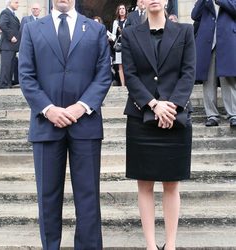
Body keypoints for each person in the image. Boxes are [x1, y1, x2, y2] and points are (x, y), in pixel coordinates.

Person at [18, 0, 112, 248]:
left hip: (86, 124)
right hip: (46, 125)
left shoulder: (95, 30)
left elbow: (104, 74)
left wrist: (81, 106)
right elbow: (26, 75)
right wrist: (48, 110)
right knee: (47, 198)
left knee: (88, 197)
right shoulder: (32, 29)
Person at [122, 0, 196, 248]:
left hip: (176, 117)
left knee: (171, 184)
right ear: (141, 1)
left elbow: (188, 72)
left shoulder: (185, 32)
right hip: (141, 116)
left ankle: (171, 244)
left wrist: (171, 105)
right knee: (144, 184)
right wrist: (154, 105)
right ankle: (151, 245)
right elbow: (130, 75)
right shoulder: (130, 33)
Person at [191, 0, 236, 127]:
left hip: (227, 40)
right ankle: (212, 115)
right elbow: (195, 15)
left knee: (228, 78)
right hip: (207, 43)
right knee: (208, 80)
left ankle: (233, 114)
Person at [0, 0, 20, 89]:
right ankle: (4, 85)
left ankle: (8, 84)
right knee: (6, 66)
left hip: (12, 47)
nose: (18, 4)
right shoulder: (5, 12)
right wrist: (11, 37)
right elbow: (2, 24)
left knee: (10, 67)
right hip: (7, 45)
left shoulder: (13, 15)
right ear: (10, 3)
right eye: (16, 2)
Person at [112, 4, 127, 86]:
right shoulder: (116, 22)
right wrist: (110, 37)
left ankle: (128, 83)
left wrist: (122, 31)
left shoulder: (128, 20)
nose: (122, 10)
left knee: (128, 64)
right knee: (120, 65)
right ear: (118, 11)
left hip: (127, 45)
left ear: (125, 10)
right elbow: (114, 35)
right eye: (120, 9)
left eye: (123, 8)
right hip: (119, 45)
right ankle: (123, 84)